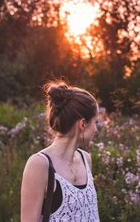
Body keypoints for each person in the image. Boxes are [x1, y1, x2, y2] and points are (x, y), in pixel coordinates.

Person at [21, 80, 100, 221]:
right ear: (82, 124)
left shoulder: (86, 159)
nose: (96, 129)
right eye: (96, 122)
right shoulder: (39, 165)